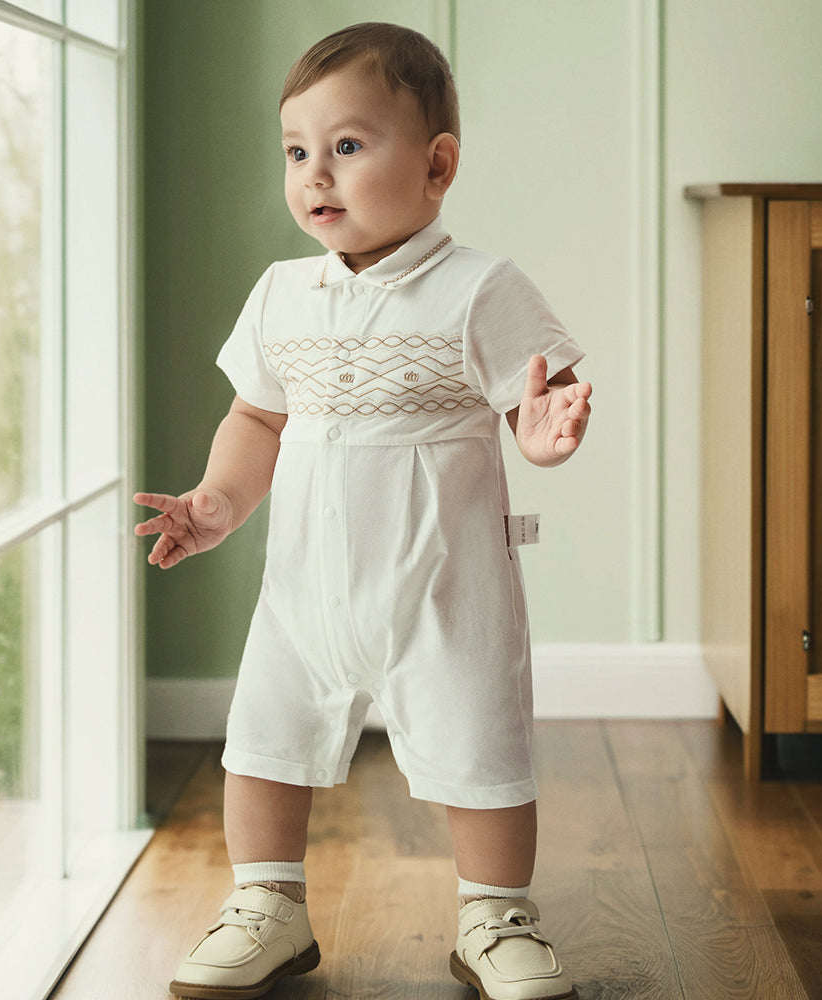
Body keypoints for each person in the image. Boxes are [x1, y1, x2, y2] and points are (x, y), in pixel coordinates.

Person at [134, 21, 592, 1000]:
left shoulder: (478, 289)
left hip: (444, 586)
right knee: (262, 740)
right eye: (296, 151)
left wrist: (544, 435)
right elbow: (256, 416)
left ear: (436, 165)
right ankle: (268, 902)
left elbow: (530, 402)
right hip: (303, 589)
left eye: (347, 146)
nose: (315, 175)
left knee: (482, 745)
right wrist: (217, 500)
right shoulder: (280, 294)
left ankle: (495, 909)